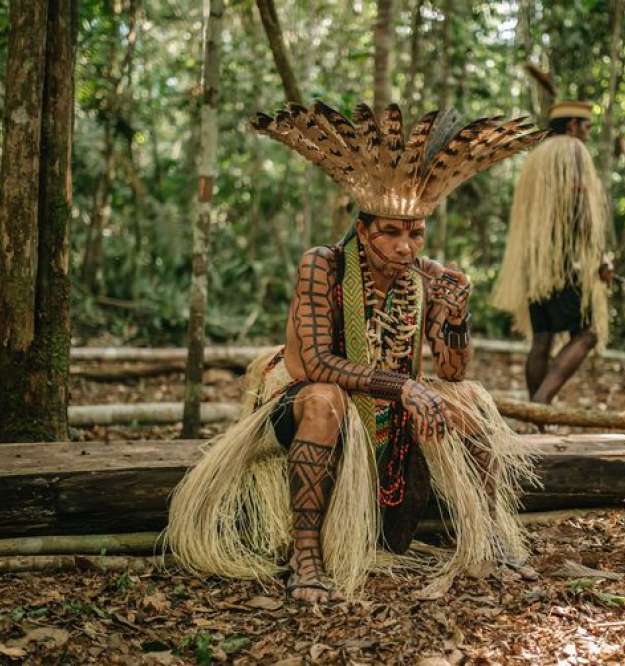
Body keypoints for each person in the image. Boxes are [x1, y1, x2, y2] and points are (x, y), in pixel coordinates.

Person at [167, 101, 546, 603]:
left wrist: (456, 317)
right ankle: (306, 555)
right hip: (308, 402)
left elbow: (453, 369)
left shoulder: (424, 278)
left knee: (470, 402)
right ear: (364, 230)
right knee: (325, 399)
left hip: (387, 409)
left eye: (414, 233)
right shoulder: (323, 265)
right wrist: (406, 386)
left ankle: (490, 537)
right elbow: (318, 362)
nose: (404, 247)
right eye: (390, 232)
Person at [491, 100, 613, 404]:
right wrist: (599, 258)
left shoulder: (537, 156)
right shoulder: (572, 150)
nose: (588, 133)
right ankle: (541, 403)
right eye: (586, 126)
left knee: (542, 338)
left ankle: (536, 420)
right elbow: (581, 208)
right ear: (572, 126)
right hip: (563, 263)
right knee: (588, 334)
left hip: (535, 263)